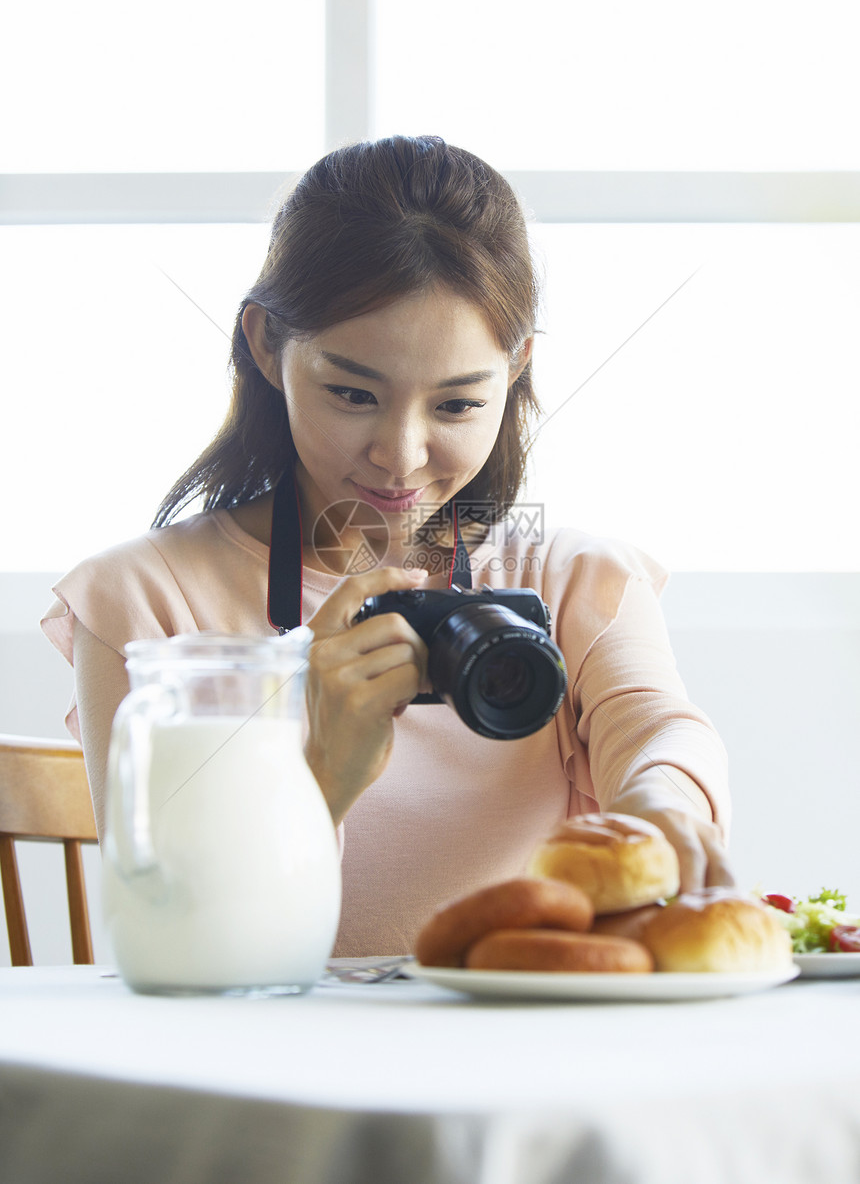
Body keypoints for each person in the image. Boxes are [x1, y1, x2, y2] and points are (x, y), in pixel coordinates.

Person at [42, 135, 733, 956]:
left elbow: (656, 726)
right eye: (351, 393)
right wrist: (324, 768)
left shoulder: (576, 578)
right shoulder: (144, 602)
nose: (401, 456)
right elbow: (168, 922)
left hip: (518, 1054)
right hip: (258, 1056)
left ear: (516, 371)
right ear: (266, 345)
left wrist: (661, 804)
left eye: (455, 406)